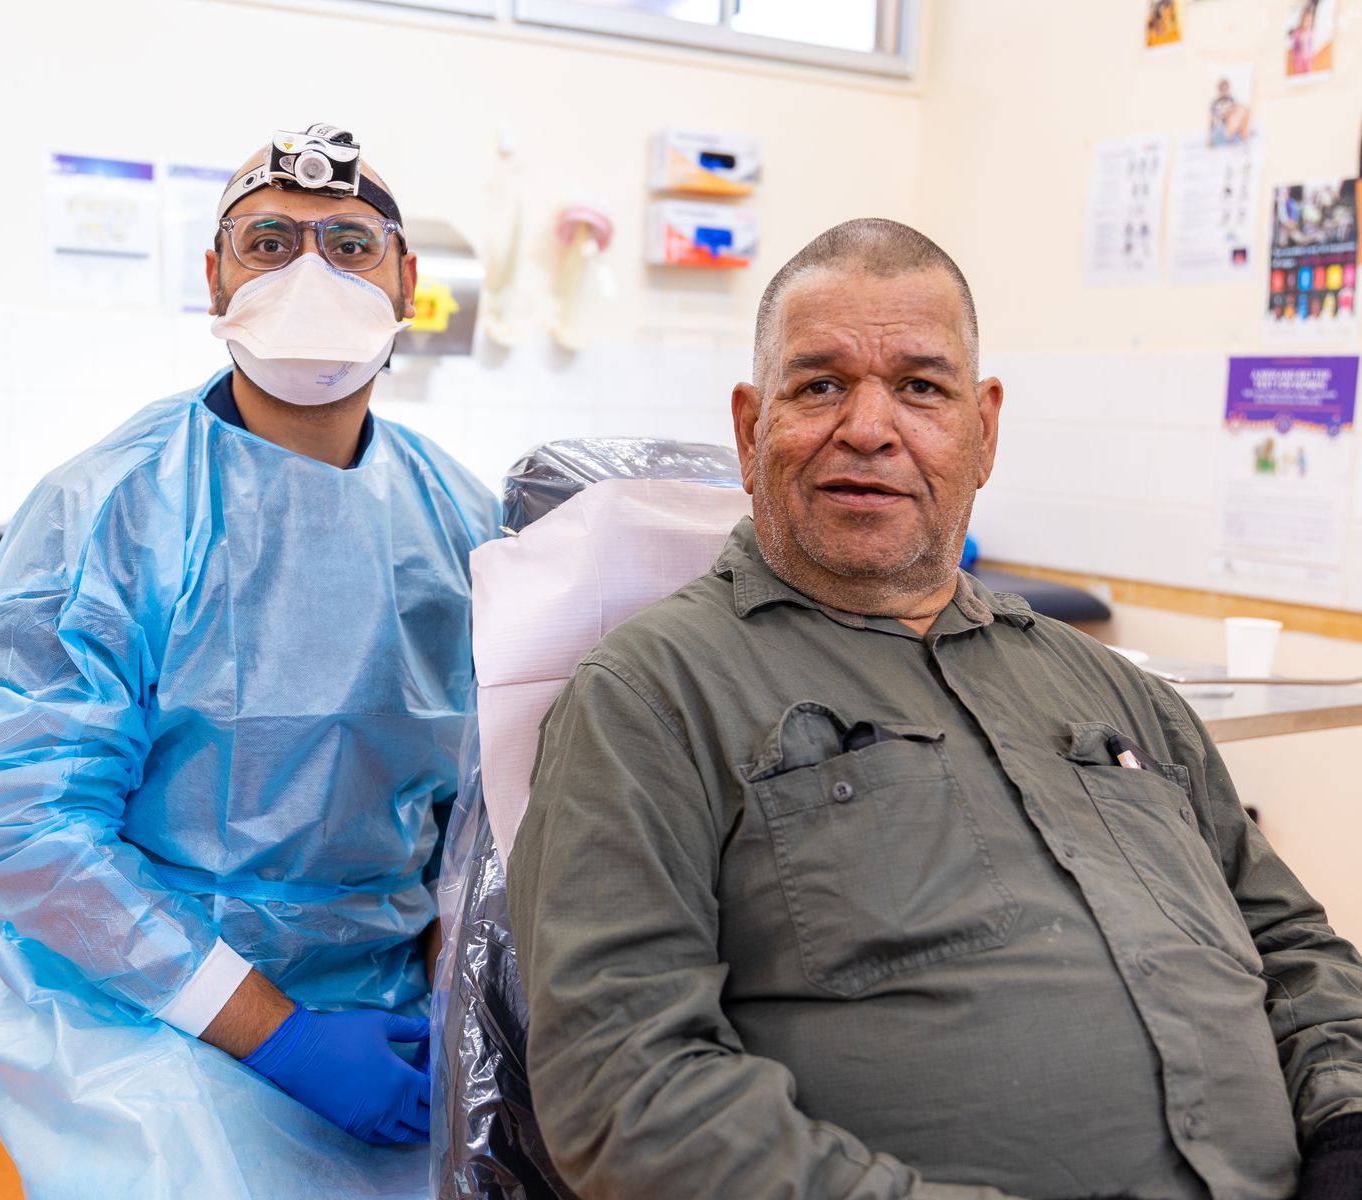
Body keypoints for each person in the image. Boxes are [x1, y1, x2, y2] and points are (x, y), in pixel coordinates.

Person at [507, 219, 1362, 1200]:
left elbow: (1296, 954)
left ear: (983, 431)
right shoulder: (651, 695)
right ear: (749, 430)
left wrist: (1346, 1131)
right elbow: (624, 1086)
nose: (869, 429)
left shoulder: (1121, 695)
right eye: (819, 385)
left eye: (920, 387)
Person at [0, 124, 499, 1199]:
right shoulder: (109, 510)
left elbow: (479, 818)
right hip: (150, 1020)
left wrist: (456, 1006)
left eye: (350, 244)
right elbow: (26, 828)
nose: (309, 275)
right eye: (269, 243)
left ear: (407, 283)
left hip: (393, 1015)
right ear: (214, 276)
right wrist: (280, 1036)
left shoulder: (460, 523)